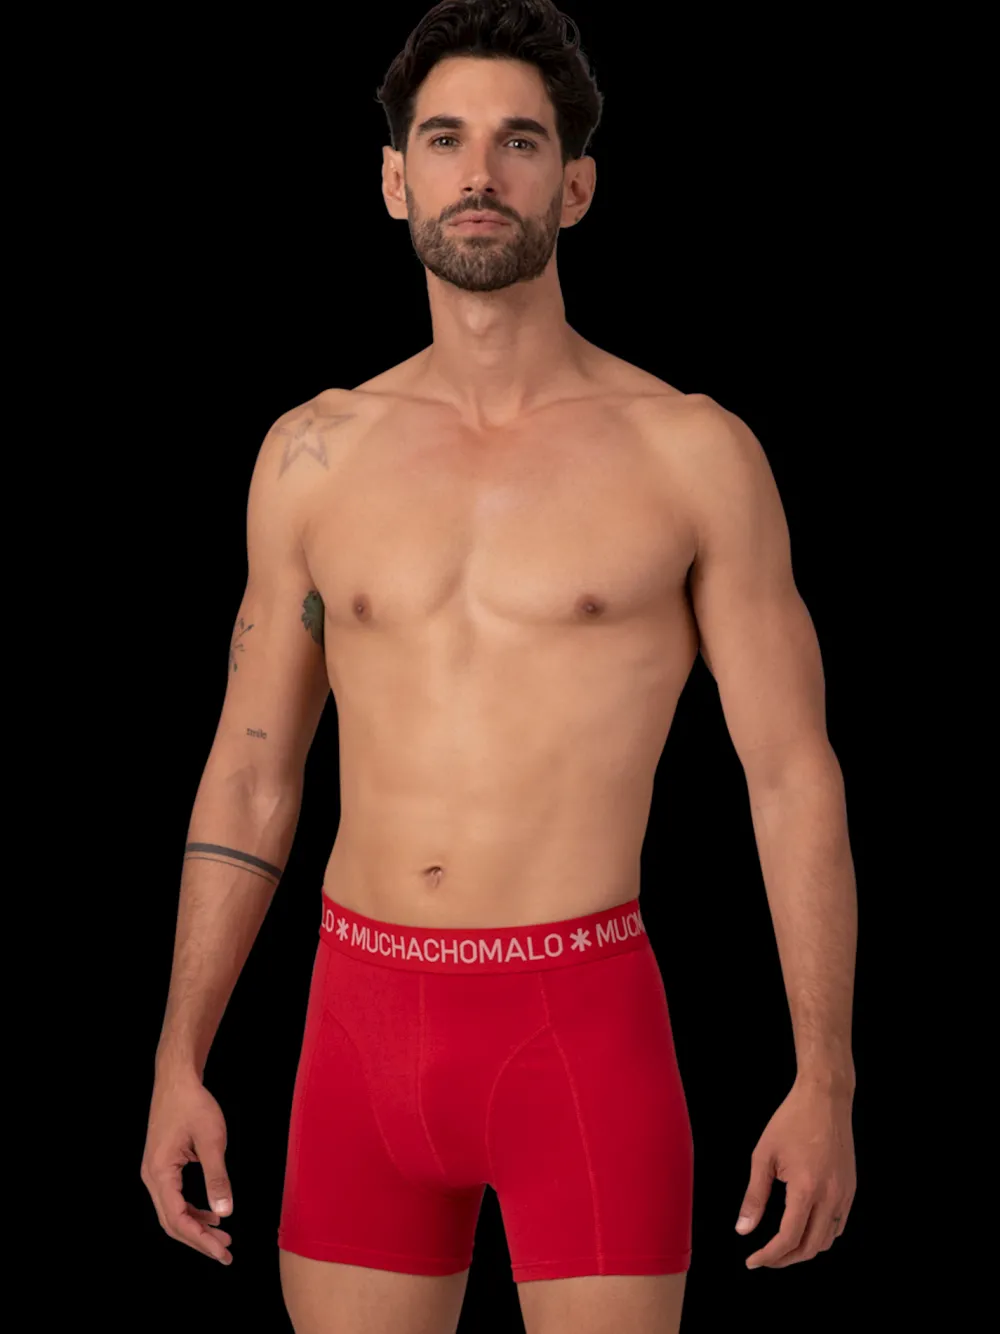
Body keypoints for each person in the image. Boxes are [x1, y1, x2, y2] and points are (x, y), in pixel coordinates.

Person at [140, 2, 858, 1331]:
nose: (481, 172)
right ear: (394, 180)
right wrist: (179, 1057)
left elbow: (790, 774)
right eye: (446, 139)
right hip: (356, 1029)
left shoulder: (691, 454)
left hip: (578, 1027)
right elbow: (252, 771)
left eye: (520, 142)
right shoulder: (312, 455)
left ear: (574, 186)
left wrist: (827, 1078)